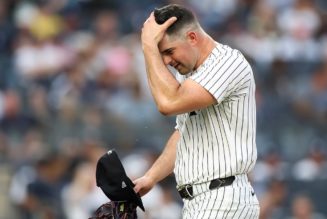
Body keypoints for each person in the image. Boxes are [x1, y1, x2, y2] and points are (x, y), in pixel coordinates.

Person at [133, 4, 260, 218]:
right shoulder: (190, 73)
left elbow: (167, 104)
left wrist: (148, 46)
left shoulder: (226, 63)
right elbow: (184, 133)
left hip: (223, 199)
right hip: (204, 202)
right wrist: (151, 177)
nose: (166, 61)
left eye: (169, 51)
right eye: (161, 54)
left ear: (192, 37)